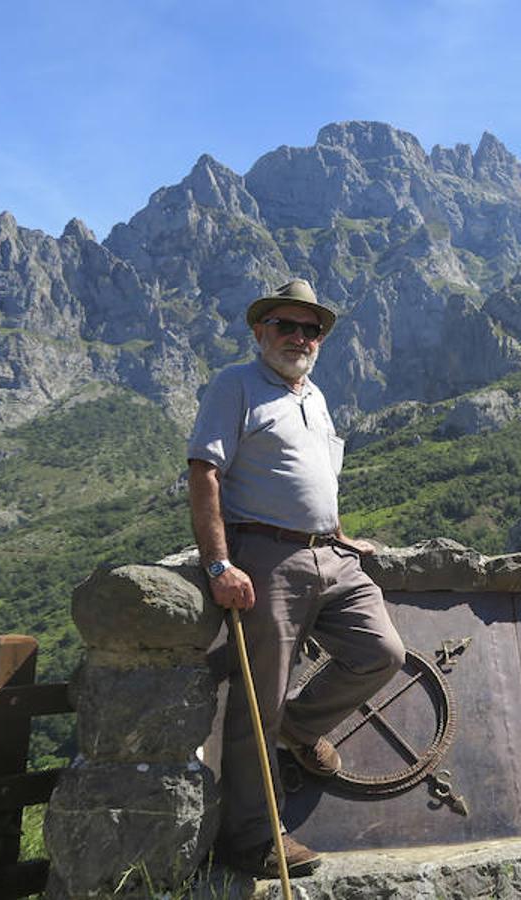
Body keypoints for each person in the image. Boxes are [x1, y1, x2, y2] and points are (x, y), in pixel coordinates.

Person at [186, 278, 405, 878]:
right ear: (261, 331)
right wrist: (218, 564)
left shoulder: (316, 395)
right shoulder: (236, 385)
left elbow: (316, 475)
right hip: (266, 557)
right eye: (286, 325)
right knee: (259, 700)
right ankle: (254, 838)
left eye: (311, 330)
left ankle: (300, 728)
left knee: (382, 652)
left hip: (329, 554)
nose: (299, 337)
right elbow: (204, 472)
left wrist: (339, 532)